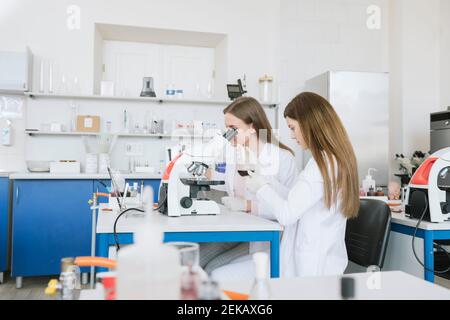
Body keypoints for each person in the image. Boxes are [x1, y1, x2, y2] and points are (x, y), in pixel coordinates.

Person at [211, 92, 360, 281]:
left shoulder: (320, 166)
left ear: (309, 124)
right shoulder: (328, 161)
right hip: (305, 258)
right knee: (223, 270)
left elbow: (287, 214)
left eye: (293, 128)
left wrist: (261, 188)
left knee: (218, 275)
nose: (292, 135)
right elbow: (295, 198)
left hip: (309, 267)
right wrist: (264, 181)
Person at [199, 96, 298, 274]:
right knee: (197, 259)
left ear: (252, 127)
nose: (228, 134)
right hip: (237, 228)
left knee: (214, 268)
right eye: (226, 128)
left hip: (260, 237)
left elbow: (289, 208)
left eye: (233, 129)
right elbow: (232, 182)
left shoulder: (282, 159)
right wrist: (207, 174)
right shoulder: (236, 153)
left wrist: (248, 206)